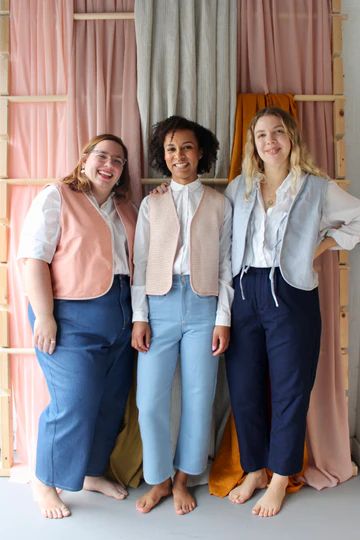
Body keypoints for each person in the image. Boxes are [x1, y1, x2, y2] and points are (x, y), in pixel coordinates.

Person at [224, 107, 360, 518]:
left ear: (292, 139)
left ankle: (281, 475)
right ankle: (253, 470)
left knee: (290, 389)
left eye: (278, 132)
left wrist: (316, 249)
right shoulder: (239, 189)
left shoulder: (318, 188)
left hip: (292, 293)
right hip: (244, 289)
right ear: (254, 144)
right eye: (262, 135)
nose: (270, 141)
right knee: (244, 387)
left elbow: (356, 220)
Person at [18, 134, 137, 519]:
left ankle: (89, 472)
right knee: (75, 401)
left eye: (117, 160)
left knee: (110, 401)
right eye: (102, 156)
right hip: (70, 316)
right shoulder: (58, 196)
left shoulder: (124, 207)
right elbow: (34, 258)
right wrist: (46, 316)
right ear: (85, 158)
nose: (109, 164)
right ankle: (45, 480)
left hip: (121, 313)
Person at [131, 115, 233, 515]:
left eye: (187, 147)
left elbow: (227, 264)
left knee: (198, 396)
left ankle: (182, 478)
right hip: (159, 306)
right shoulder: (151, 203)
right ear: (163, 155)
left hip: (204, 308)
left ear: (201, 152)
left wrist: (223, 318)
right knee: (150, 400)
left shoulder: (220, 203)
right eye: (171, 149)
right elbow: (139, 263)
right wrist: (141, 316)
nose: (179, 155)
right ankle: (156, 478)